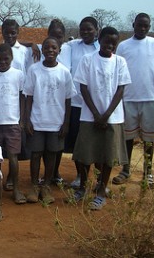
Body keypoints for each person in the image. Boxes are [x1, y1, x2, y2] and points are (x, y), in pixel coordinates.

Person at [72, 27, 131, 210]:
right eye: (107, 41)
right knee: (84, 155)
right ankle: (82, 188)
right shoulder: (88, 60)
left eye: (114, 43)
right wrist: (96, 114)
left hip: (112, 118)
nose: (110, 46)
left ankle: (101, 190)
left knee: (107, 156)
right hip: (90, 116)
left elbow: (121, 90)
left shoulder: (120, 62)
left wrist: (106, 115)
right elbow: (83, 88)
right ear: (100, 39)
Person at [112, 13, 154, 188]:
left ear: (149, 27)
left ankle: (148, 173)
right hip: (128, 97)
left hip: (150, 97)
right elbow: (117, 68)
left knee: (149, 139)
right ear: (133, 25)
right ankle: (126, 170)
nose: (142, 28)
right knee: (127, 138)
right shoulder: (124, 46)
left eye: (146, 26)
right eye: (139, 25)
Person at [23, 37, 76, 204]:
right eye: (47, 47)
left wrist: (66, 123)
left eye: (54, 48)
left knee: (52, 153)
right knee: (36, 153)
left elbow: (68, 100)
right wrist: (27, 120)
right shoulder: (34, 70)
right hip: (37, 120)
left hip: (56, 121)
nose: (50, 50)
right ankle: (33, 185)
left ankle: (46, 185)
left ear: (59, 50)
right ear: (42, 50)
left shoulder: (64, 72)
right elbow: (29, 97)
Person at [0, 43, 27, 204]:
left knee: (13, 156)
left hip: (12, 122)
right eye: (0, 59)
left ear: (12, 58)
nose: (3, 62)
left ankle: (16, 188)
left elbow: (22, 97)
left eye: (6, 59)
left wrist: (22, 119)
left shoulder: (18, 74)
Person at [66, 17, 100, 189]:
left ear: (96, 30)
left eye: (89, 29)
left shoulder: (102, 48)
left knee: (97, 143)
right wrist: (30, 44)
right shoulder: (72, 46)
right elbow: (49, 43)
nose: (86, 32)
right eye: (82, 29)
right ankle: (80, 175)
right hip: (76, 104)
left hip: (97, 106)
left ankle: (100, 180)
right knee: (78, 143)